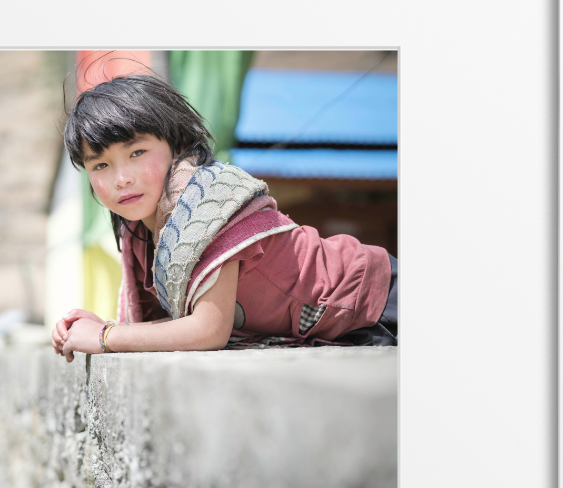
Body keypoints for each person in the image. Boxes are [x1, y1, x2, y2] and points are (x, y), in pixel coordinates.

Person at [51, 73, 398, 362]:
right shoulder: (141, 230)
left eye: (137, 152)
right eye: (100, 165)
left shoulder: (209, 203)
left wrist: (105, 336)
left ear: (179, 144)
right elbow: (161, 326)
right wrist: (100, 327)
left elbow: (207, 330)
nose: (121, 178)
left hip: (376, 300)